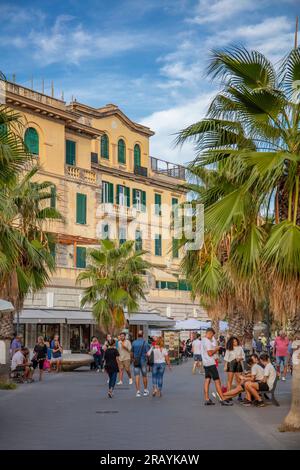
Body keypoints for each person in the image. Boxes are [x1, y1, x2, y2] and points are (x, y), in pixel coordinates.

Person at [201, 328, 233, 406]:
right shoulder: (208, 342)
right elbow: (210, 353)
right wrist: (216, 349)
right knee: (217, 381)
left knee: (207, 380)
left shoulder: (203, 340)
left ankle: (207, 399)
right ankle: (222, 399)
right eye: (212, 335)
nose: (212, 337)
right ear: (209, 333)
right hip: (211, 363)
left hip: (205, 363)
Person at [131, 330, 150, 397]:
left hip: (136, 360)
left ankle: (138, 391)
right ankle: (145, 390)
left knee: (137, 375)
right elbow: (148, 354)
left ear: (137, 335)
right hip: (143, 361)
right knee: (144, 375)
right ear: (143, 335)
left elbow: (132, 352)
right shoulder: (145, 343)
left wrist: (132, 359)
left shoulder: (134, 343)